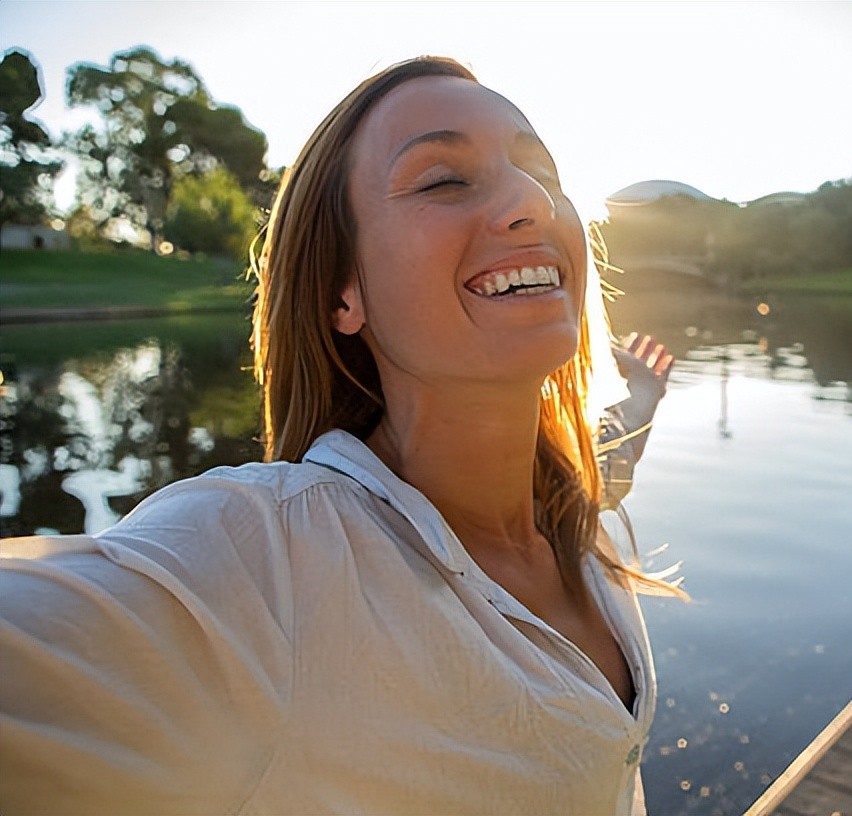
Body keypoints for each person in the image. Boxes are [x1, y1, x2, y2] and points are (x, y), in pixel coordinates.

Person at [0, 56, 682, 815]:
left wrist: (645, 396)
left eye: (540, 170)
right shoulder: (266, 570)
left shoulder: (567, 507)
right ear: (341, 292)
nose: (531, 199)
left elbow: (604, 466)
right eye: (443, 180)